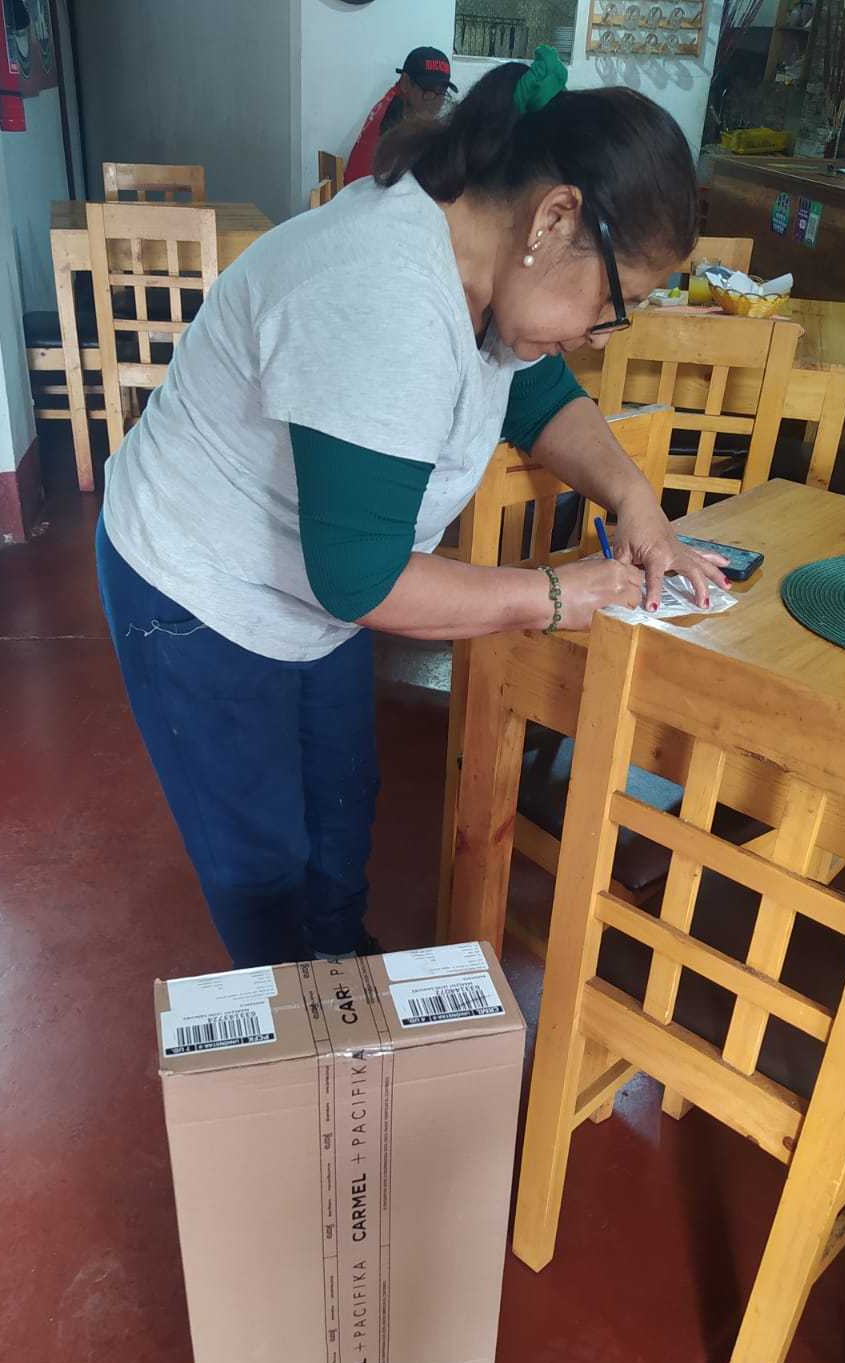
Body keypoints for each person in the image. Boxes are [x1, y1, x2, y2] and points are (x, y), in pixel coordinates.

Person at [95, 47, 726, 970]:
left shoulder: (485, 262)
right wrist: (558, 595)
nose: (596, 338)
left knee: (341, 809)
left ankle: (338, 974)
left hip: (311, 587)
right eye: (612, 304)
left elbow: (537, 394)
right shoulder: (384, 293)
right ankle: (296, 1014)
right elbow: (362, 580)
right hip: (199, 587)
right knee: (262, 859)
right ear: (555, 217)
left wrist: (636, 499)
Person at [344, 47, 458, 185]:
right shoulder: (393, 119)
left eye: (442, 92)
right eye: (428, 91)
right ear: (405, 82)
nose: (436, 103)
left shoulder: (395, 101)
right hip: (368, 194)